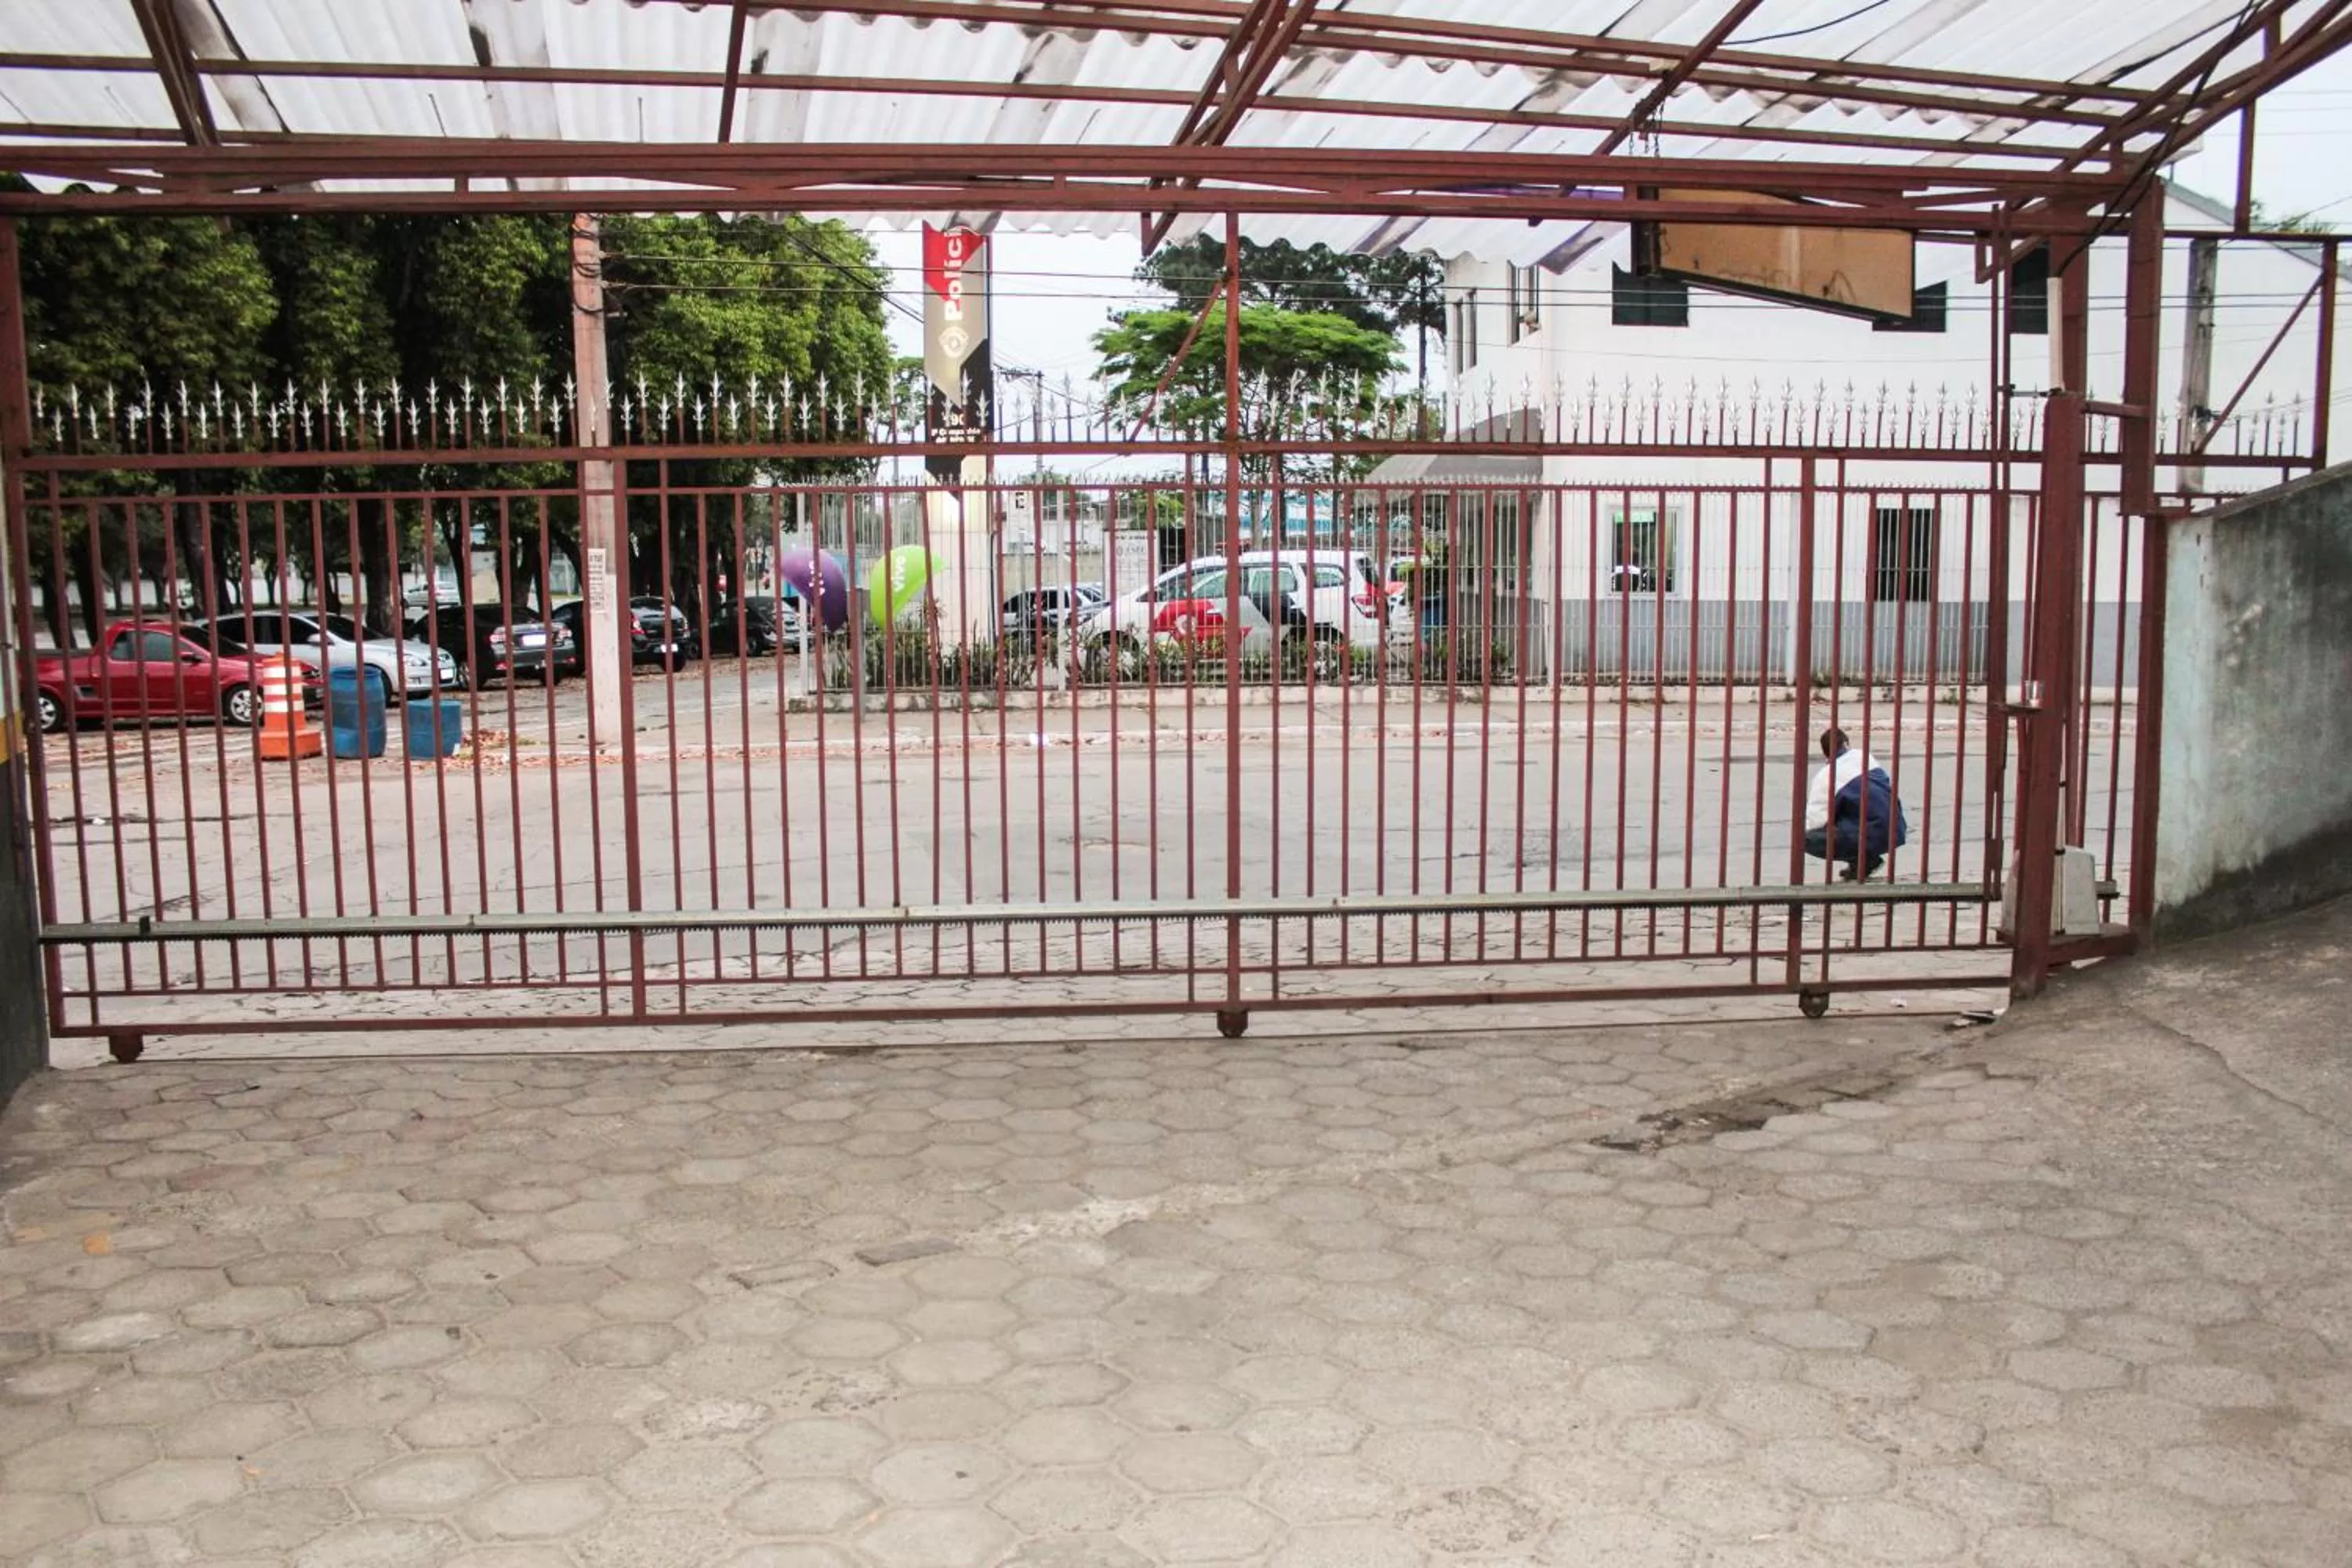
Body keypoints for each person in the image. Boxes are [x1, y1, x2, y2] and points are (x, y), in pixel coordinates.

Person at [1804, 727, 1908, 880]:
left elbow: (1815, 821)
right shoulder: (1866, 757)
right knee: (1853, 811)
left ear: (1825, 753)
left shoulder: (1826, 776)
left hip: (1871, 835)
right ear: (1846, 744)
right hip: (1896, 829)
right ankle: (1861, 862)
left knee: (1805, 838)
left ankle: (1863, 859)